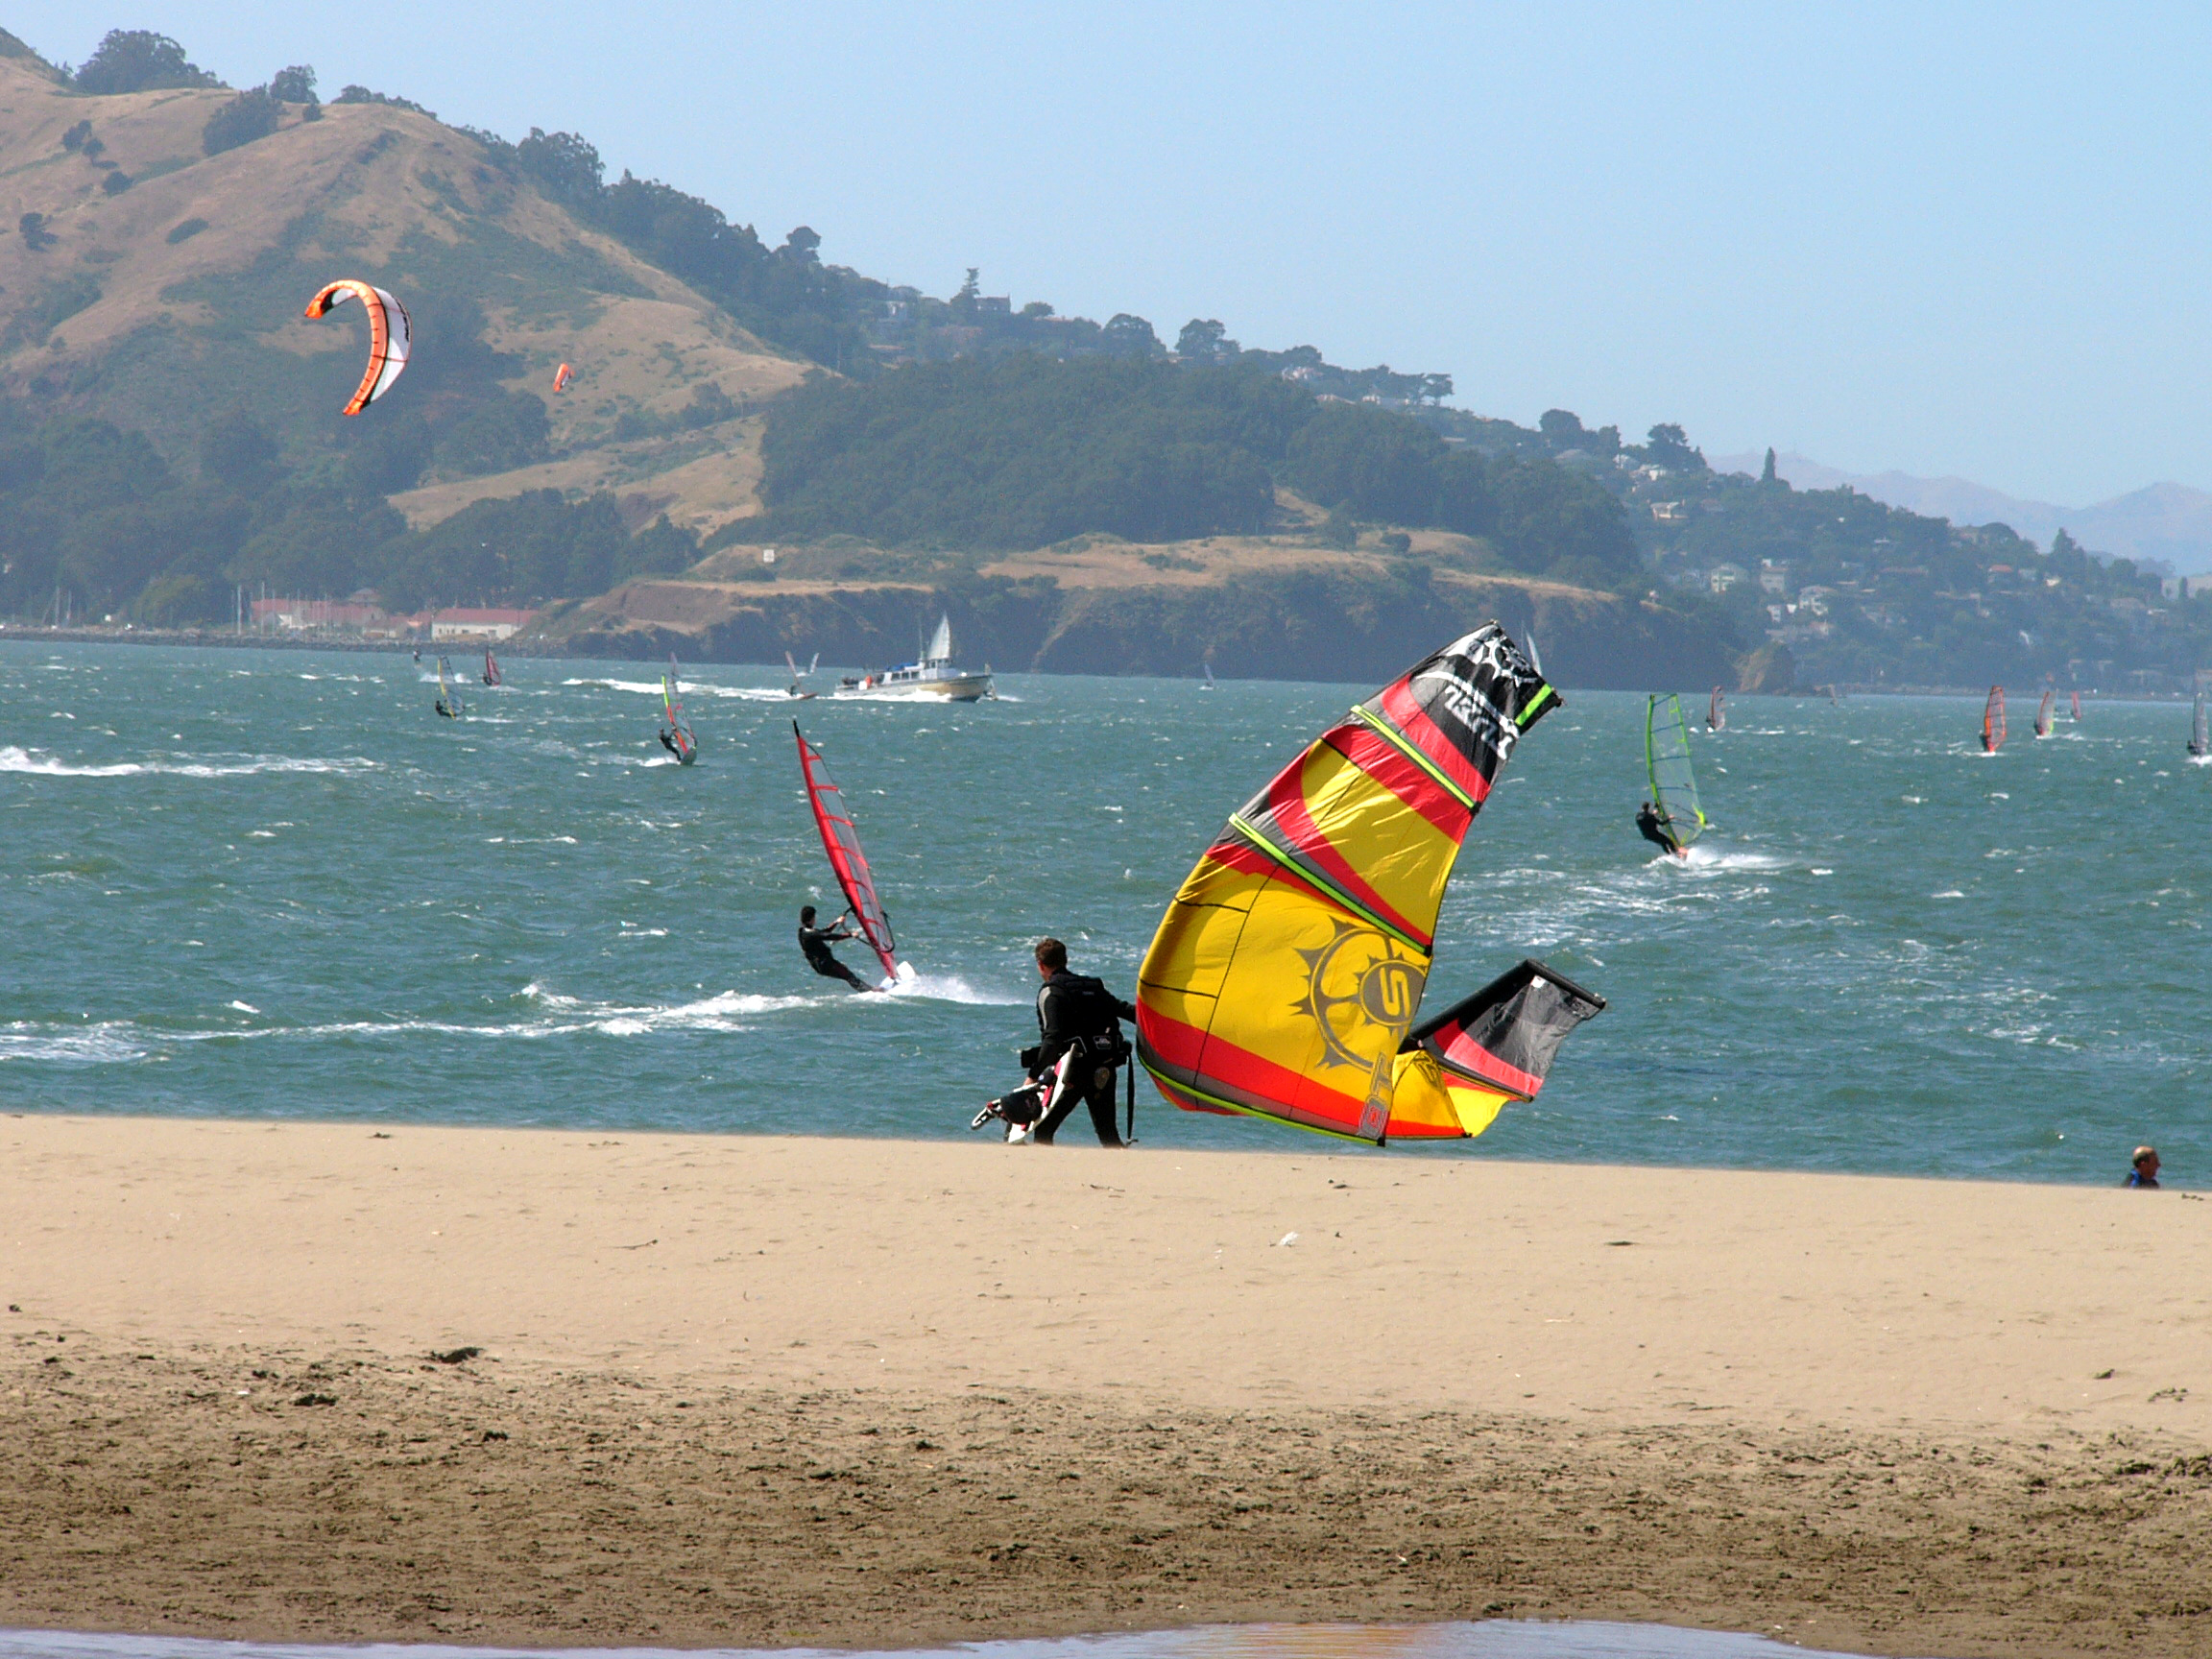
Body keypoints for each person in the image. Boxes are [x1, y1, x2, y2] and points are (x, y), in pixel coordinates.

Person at [1025, 936, 1135, 1146]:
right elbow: (1128, 1011)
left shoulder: (1052, 992)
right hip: (1103, 1067)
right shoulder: (1093, 987)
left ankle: (1042, 1176)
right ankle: (1125, 1175)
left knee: (1044, 1129)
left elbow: (1053, 1038)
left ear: (1040, 965)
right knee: (1108, 1134)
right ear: (1065, 960)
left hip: (1072, 1071)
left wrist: (1032, 1075)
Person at [798, 904, 875, 993]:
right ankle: (871, 991)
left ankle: (869, 990)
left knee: (847, 974)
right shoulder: (810, 933)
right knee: (848, 975)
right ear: (811, 918)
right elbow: (829, 936)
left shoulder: (804, 931)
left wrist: (836, 922)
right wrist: (850, 935)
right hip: (824, 964)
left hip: (821, 964)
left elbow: (824, 932)